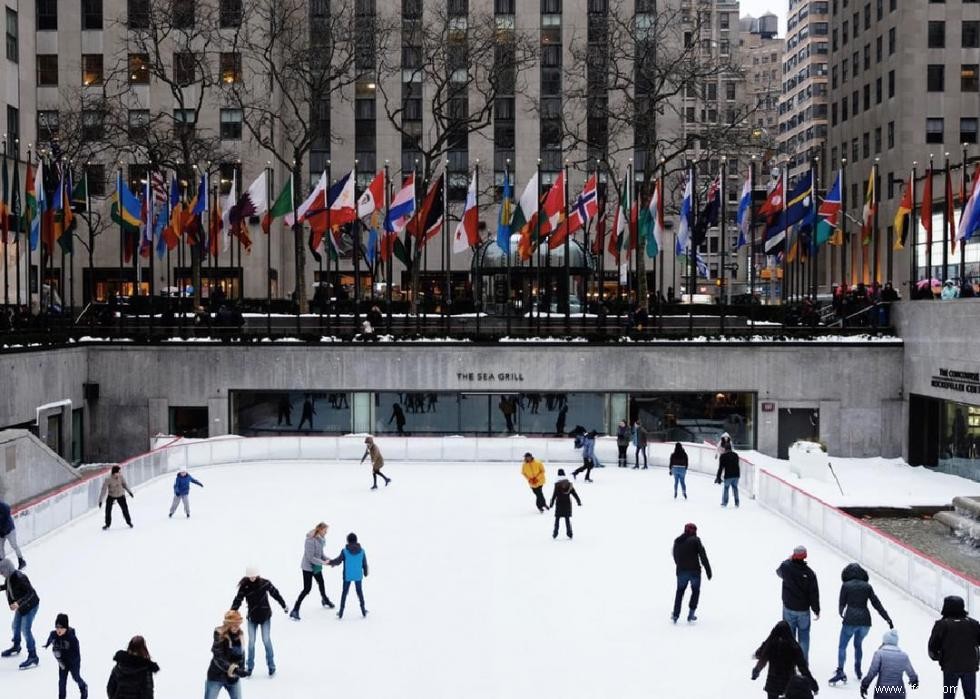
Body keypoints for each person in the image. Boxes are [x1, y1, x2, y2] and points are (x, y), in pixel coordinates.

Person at [831, 563, 894, 686]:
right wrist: (887, 618)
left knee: (842, 646)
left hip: (850, 620)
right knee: (858, 644)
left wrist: (842, 614)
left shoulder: (845, 586)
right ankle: (858, 670)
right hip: (865, 621)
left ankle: (840, 670)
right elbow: (877, 604)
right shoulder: (867, 587)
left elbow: (841, 605)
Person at [231, 567, 288, 677]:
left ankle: (271, 666)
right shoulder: (244, 586)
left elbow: (275, 594)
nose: (252, 578)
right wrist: (232, 612)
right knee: (251, 642)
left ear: (257, 575)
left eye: (254, 576)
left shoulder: (265, 583)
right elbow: (238, 600)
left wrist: (284, 605)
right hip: (252, 618)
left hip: (265, 617)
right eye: (250, 576)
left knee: (266, 640)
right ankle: (250, 667)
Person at [928, 594, 980, 699]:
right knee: (970, 695)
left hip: (950, 668)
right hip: (969, 668)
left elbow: (932, 646)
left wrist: (939, 657)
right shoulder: (973, 624)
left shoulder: (942, 625)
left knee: (948, 695)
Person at [751, 620, 820, 699]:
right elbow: (803, 668)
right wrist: (813, 685)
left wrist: (756, 671)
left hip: (772, 682)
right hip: (788, 682)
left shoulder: (771, 643)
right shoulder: (794, 646)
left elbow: (762, 658)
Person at [777, 546, 821, 661]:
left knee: (788, 637)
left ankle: (788, 662)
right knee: (804, 637)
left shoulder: (786, 567)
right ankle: (803, 663)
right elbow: (814, 594)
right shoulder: (810, 573)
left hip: (788, 608)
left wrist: (788, 560)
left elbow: (779, 572)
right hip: (803, 611)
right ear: (805, 556)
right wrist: (816, 609)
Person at [0, 556, 40, 669]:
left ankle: (33, 656)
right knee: (15, 626)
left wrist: (18, 603)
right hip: (22, 606)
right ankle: (16, 646)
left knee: (25, 629)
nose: (0, 574)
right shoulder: (9, 578)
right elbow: (7, 587)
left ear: (7, 569)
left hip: (31, 606)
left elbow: (31, 593)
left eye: (1, 571)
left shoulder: (20, 577)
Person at [289, 522, 334, 620]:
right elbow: (310, 558)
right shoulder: (310, 540)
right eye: (325, 530)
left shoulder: (321, 540)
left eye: (326, 531)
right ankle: (295, 609)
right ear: (320, 529)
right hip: (308, 568)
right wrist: (323, 563)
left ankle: (325, 599)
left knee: (321, 582)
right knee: (307, 589)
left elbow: (321, 554)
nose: (326, 532)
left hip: (316, 567)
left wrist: (330, 561)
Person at [671, 523, 711, 623]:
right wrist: (708, 570)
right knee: (695, 591)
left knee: (680, 592)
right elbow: (703, 556)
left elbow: (675, 555)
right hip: (695, 572)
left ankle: (675, 615)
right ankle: (691, 614)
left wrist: (679, 565)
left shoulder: (678, 541)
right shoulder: (696, 540)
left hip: (681, 572)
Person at [861, 629, 918, 699]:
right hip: (899, 691)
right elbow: (911, 674)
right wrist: (914, 685)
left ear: (885, 641)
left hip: (882, 691)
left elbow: (872, 673)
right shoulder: (903, 656)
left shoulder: (879, 654)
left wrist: (865, 686)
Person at [205, 610, 250, 698]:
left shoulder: (240, 636)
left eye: (238, 623)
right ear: (228, 624)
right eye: (234, 624)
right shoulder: (219, 635)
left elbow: (242, 654)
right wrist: (235, 670)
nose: (237, 626)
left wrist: (242, 668)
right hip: (216, 677)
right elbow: (218, 657)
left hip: (233, 679)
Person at [43, 613, 87, 699]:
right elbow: (51, 637)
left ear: (66, 628)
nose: (58, 630)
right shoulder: (54, 634)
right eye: (57, 627)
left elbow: (76, 653)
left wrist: (62, 653)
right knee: (62, 682)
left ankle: (83, 687)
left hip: (73, 662)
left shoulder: (72, 639)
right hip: (62, 662)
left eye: (61, 628)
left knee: (76, 677)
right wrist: (47, 644)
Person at [329, 532, 369, 619]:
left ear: (348, 541)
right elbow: (364, 564)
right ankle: (363, 611)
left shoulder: (345, 551)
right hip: (358, 575)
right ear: (356, 540)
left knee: (344, 593)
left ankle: (341, 612)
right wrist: (365, 572)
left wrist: (330, 562)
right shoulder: (362, 551)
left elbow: (338, 561)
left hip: (347, 576)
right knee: (360, 592)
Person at [99, 465, 135, 530]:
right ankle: (107, 524)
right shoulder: (108, 479)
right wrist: (100, 500)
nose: (120, 473)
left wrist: (130, 492)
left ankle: (129, 522)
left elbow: (125, 484)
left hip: (120, 495)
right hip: (111, 495)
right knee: (108, 510)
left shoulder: (121, 476)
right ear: (115, 473)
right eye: (118, 472)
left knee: (125, 509)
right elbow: (103, 490)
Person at [549, 469, 582, 540]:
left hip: (559, 503)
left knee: (557, 519)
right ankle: (569, 533)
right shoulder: (569, 484)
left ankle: (555, 533)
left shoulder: (557, 484)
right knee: (567, 519)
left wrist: (551, 503)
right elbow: (574, 493)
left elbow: (554, 494)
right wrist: (578, 501)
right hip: (567, 503)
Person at [0, 499, 26, 570]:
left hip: (9, 529)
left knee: (14, 545)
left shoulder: (2, 505)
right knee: (0, 548)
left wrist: (4, 524)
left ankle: (21, 560)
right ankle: (2, 564)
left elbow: (7, 509)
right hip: (1, 532)